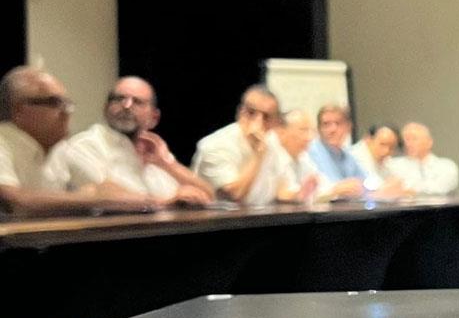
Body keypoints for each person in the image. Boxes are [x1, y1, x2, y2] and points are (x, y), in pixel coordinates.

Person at [0, 66, 156, 215]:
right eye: (55, 102)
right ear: (19, 109)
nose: (67, 113)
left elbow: (105, 188)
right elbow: (15, 202)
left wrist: (160, 202)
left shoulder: (59, 148)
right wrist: (89, 198)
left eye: (67, 104)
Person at [45, 76, 213, 206]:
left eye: (137, 102)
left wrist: (167, 164)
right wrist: (167, 203)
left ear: (154, 118)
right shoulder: (85, 145)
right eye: (119, 99)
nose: (126, 105)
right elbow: (104, 193)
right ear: (105, 108)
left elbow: (208, 194)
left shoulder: (154, 149)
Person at [192, 85, 285, 205]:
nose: (258, 122)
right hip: (217, 220)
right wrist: (258, 154)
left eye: (266, 117)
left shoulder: (273, 142)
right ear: (240, 113)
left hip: (260, 218)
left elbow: (283, 188)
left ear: (275, 122)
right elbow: (235, 195)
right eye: (251, 113)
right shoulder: (214, 145)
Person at [306, 104, 366, 200]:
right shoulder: (310, 151)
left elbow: (364, 183)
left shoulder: (348, 156)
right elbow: (317, 192)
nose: (332, 129)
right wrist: (336, 189)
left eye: (338, 123)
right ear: (318, 129)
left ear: (348, 127)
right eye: (326, 124)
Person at [386, 122, 459, 195]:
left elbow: (442, 188)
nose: (408, 144)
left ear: (429, 142)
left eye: (414, 139)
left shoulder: (446, 166)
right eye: (406, 140)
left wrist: (411, 191)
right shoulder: (393, 165)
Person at [268, 109, 323, 203]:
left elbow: (320, 186)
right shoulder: (270, 155)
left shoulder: (303, 156)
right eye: (303, 130)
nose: (309, 138)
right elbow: (280, 194)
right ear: (281, 132)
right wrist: (300, 193)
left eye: (311, 131)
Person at [350, 123, 399, 189]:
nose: (386, 151)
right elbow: (370, 186)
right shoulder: (354, 156)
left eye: (391, 147)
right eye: (383, 144)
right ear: (368, 139)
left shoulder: (386, 161)